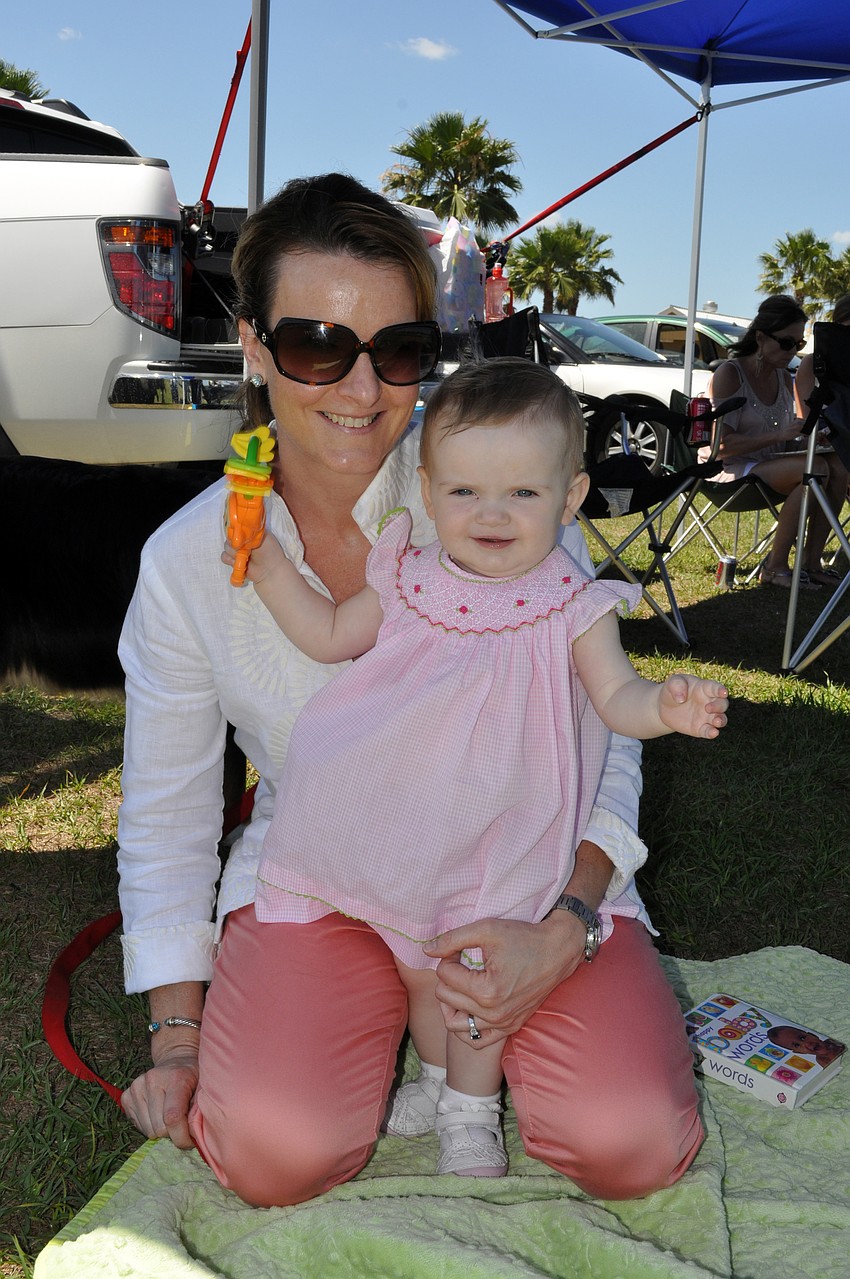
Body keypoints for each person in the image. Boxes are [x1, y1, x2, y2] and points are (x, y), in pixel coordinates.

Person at [118, 172, 706, 1208]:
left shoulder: (491, 492)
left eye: (398, 351)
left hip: (522, 879)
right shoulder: (189, 559)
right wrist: (175, 1034)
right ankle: (378, 1021)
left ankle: (457, 1051)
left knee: (631, 1141)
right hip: (328, 878)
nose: (359, 389)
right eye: (314, 345)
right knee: (272, 1148)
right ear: (253, 346)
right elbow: (166, 810)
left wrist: (566, 923)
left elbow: (610, 735)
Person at [225, 357, 728, 1179]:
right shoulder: (407, 574)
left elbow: (615, 698)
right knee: (417, 957)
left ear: (569, 499)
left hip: (509, 825)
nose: (492, 515)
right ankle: (433, 1077)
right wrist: (267, 563)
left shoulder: (573, 602)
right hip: (401, 816)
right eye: (465, 493)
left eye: (523, 494)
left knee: (472, 966)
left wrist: (662, 706)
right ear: (428, 494)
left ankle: (470, 1109)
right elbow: (327, 635)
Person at [708, 295, 848, 589]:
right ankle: (774, 566)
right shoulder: (730, 374)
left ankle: (811, 562)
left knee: (837, 465)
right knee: (817, 469)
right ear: (760, 337)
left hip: (768, 466)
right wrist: (779, 435)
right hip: (728, 471)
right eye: (786, 342)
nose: (792, 351)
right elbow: (720, 446)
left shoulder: (784, 379)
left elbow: (787, 438)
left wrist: (808, 436)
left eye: (798, 345)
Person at [792, 294, 850, 584]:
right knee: (836, 470)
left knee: (840, 469)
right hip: (820, 445)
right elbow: (806, 420)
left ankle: (813, 560)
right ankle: (810, 561)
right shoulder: (813, 364)